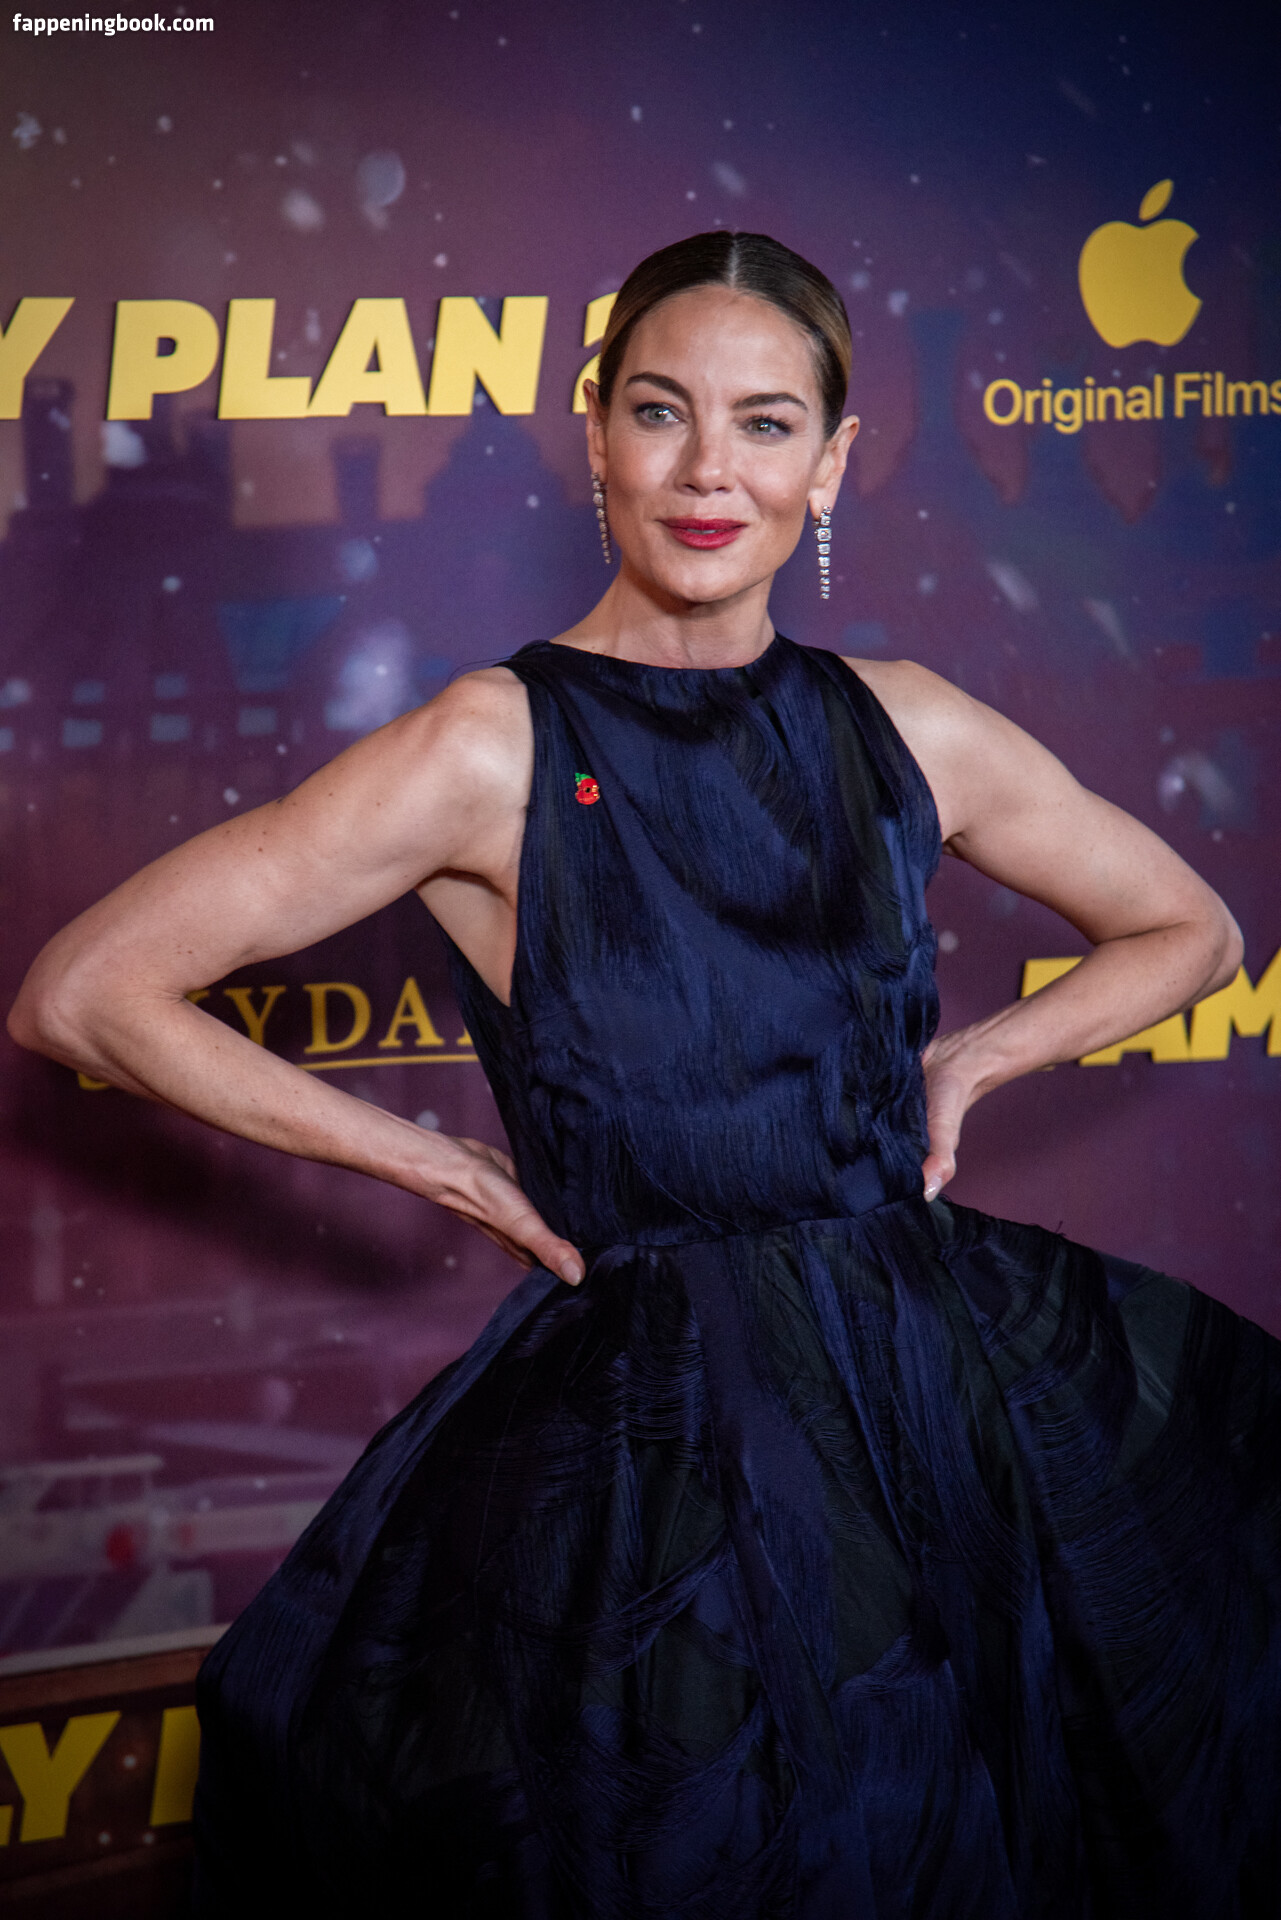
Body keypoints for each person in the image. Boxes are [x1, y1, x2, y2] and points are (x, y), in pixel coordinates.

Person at [10, 231, 1281, 1918]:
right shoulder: (488, 746)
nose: (707, 472)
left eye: (765, 424)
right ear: (594, 429)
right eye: (662, 411)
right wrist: (436, 1165)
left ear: (830, 464)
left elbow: (1190, 931)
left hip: (939, 1394)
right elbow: (85, 994)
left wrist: (974, 1058)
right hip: (657, 1448)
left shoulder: (905, 723)